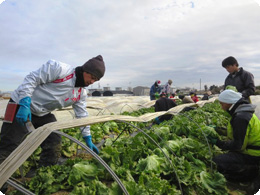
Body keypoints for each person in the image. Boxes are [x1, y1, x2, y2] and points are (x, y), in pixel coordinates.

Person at [0, 55, 105, 170]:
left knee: (54, 140)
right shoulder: (59, 69)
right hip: (20, 105)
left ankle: (43, 173)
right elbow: (32, 78)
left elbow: (82, 114)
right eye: (92, 77)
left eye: (96, 80)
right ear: (85, 70)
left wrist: (87, 137)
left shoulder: (81, 93)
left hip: (42, 113)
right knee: (9, 144)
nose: (92, 81)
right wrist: (24, 102)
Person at [207, 90, 260, 193]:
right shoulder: (243, 112)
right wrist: (218, 129)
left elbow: (238, 146)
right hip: (253, 151)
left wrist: (218, 142)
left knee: (217, 162)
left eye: (221, 104)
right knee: (226, 157)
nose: (221, 107)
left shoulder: (240, 117)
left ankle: (249, 174)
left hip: (253, 154)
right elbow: (238, 132)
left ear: (228, 103)